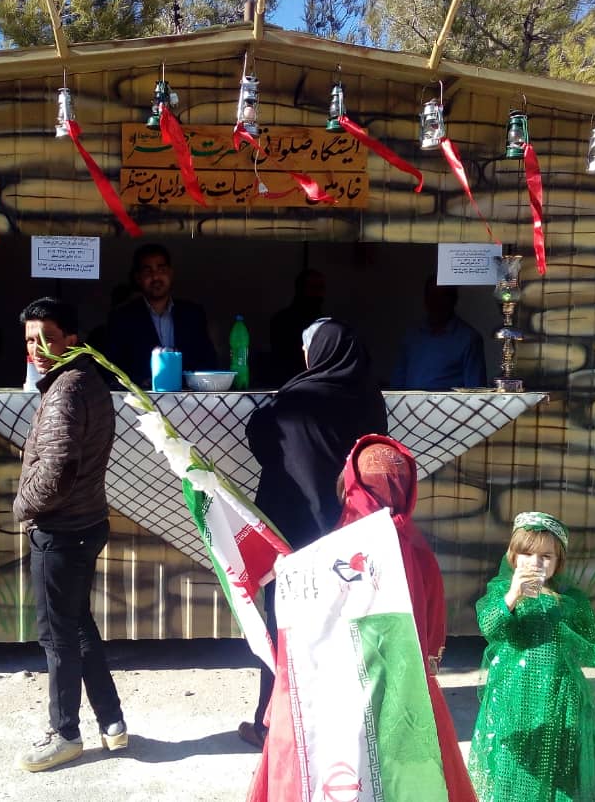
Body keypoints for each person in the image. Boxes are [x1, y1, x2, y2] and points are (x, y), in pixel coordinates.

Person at [238, 317, 388, 748]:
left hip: (292, 532)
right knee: (343, 625)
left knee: (285, 625)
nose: (304, 356)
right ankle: (343, 726)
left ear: (318, 351)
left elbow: (261, 441)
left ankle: (273, 725)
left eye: (307, 348)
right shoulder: (370, 399)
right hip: (348, 532)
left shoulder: (295, 398)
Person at [13, 296, 127, 772]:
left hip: (61, 531)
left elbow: (57, 470)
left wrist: (22, 506)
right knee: (78, 625)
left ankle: (64, 734)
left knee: (57, 637)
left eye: (48, 339)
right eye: (29, 341)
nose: (37, 349)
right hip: (85, 523)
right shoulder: (88, 380)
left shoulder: (66, 390)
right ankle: (112, 722)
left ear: (72, 340)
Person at [334, 434, 477, 801]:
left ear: (352, 486)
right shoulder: (415, 546)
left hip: (347, 676)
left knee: (348, 765)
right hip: (406, 679)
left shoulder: (338, 546)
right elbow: (434, 611)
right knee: (410, 765)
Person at [467, 511, 595, 802]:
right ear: (512, 556)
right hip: (515, 697)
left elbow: (590, 644)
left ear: (559, 563)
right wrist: (513, 595)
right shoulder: (501, 591)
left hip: (563, 696)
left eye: (546, 556)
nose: (535, 562)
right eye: (527, 554)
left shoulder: (570, 601)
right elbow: (491, 627)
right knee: (516, 766)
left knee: (563, 763)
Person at [105, 243, 217, 387]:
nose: (156, 277)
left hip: (190, 396)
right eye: (148, 271)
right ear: (138, 278)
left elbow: (208, 362)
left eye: (161, 269)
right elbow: (111, 368)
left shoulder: (193, 314)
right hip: (141, 398)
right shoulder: (122, 317)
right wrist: (140, 382)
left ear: (170, 273)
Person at [391, 276, 485, 390]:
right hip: (408, 401)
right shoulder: (411, 336)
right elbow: (397, 385)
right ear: (425, 300)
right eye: (432, 296)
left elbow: (475, 391)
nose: (436, 302)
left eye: (442, 297)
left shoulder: (469, 339)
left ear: (454, 299)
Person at [268, 268, 325, 387]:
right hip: (290, 385)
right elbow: (283, 359)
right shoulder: (283, 320)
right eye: (313, 287)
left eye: (321, 288)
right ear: (301, 289)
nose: (318, 293)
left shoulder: (325, 323)